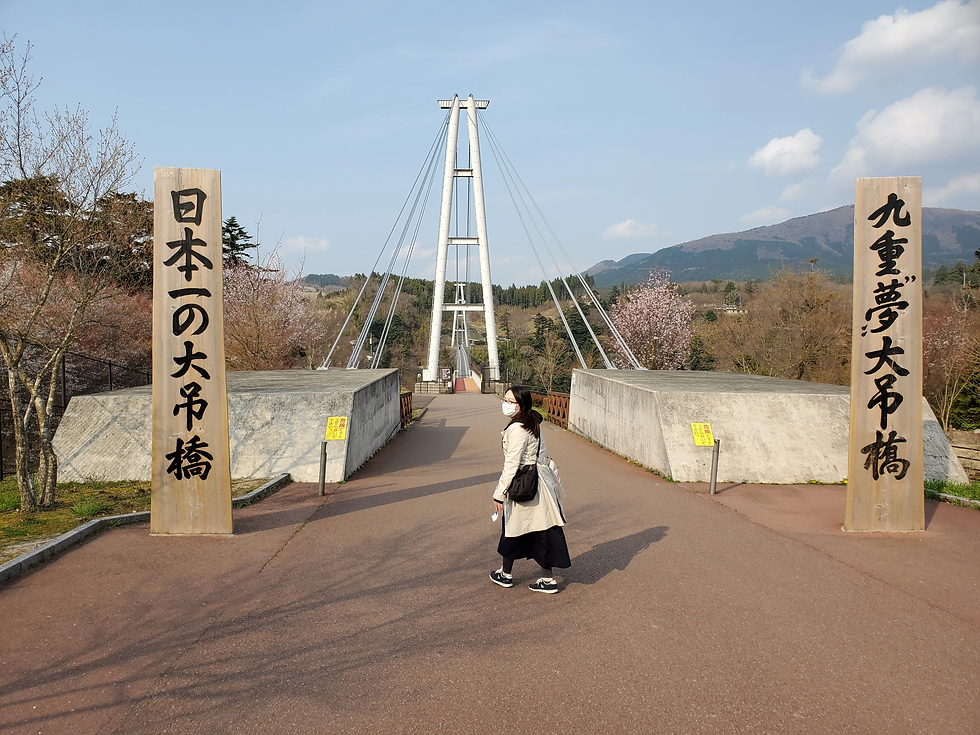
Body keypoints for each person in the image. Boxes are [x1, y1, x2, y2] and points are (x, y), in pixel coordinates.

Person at [490, 385, 570, 593]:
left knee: (513, 528)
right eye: (505, 400)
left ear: (521, 405)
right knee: (543, 531)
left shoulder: (518, 429)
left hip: (523, 484)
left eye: (511, 401)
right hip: (539, 482)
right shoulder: (532, 422)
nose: (506, 404)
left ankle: (506, 574)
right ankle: (547, 579)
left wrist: (499, 493)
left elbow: (512, 464)